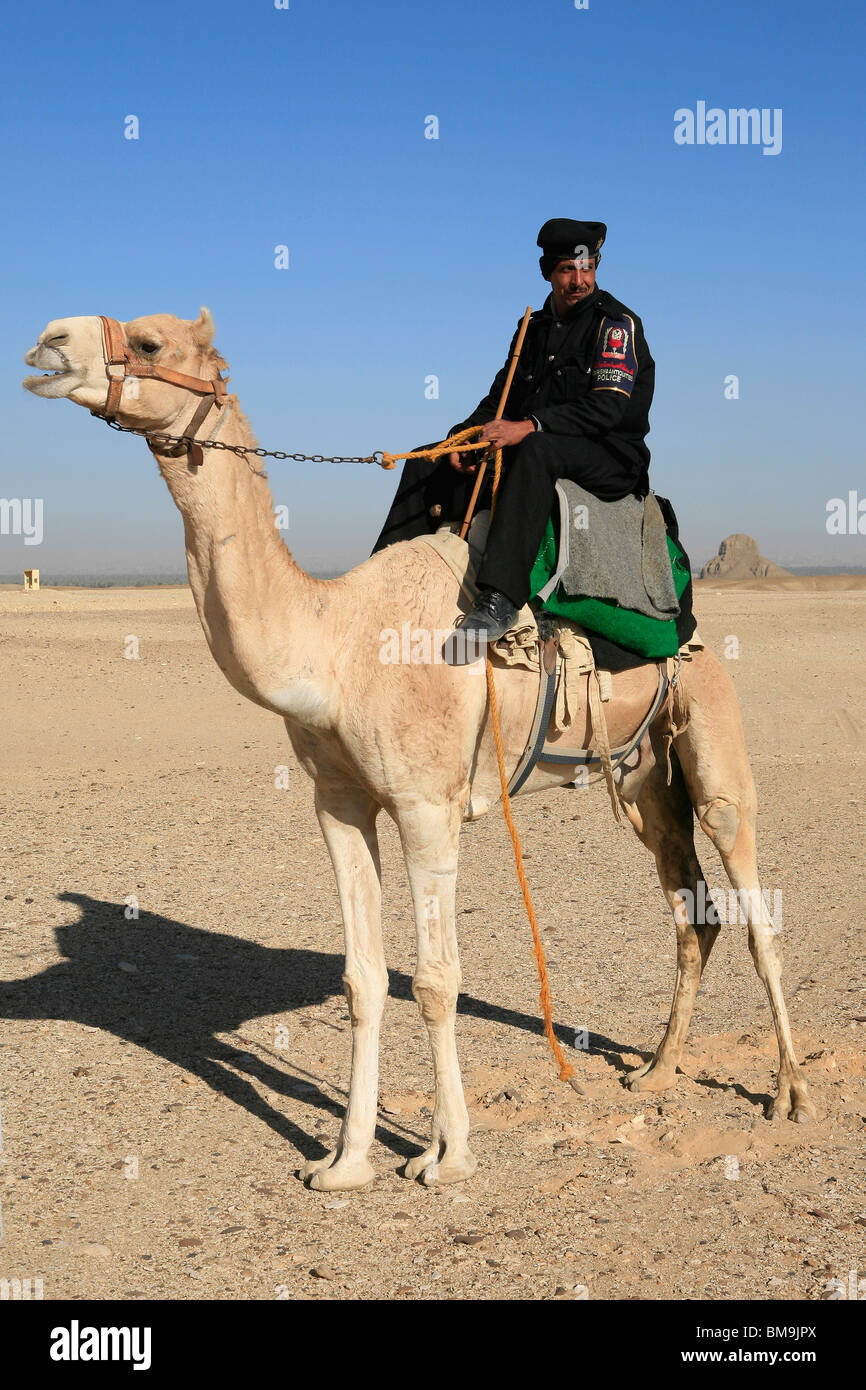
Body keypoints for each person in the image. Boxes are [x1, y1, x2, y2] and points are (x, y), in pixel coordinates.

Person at [372, 218, 666, 646]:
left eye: (587, 268)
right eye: (567, 269)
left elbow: (606, 409)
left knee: (535, 449)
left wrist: (528, 427)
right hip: (540, 441)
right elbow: (502, 397)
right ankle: (380, 582)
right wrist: (463, 438)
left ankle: (501, 598)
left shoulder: (615, 326)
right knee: (428, 458)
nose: (579, 280)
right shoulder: (532, 328)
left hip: (609, 454)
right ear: (547, 272)